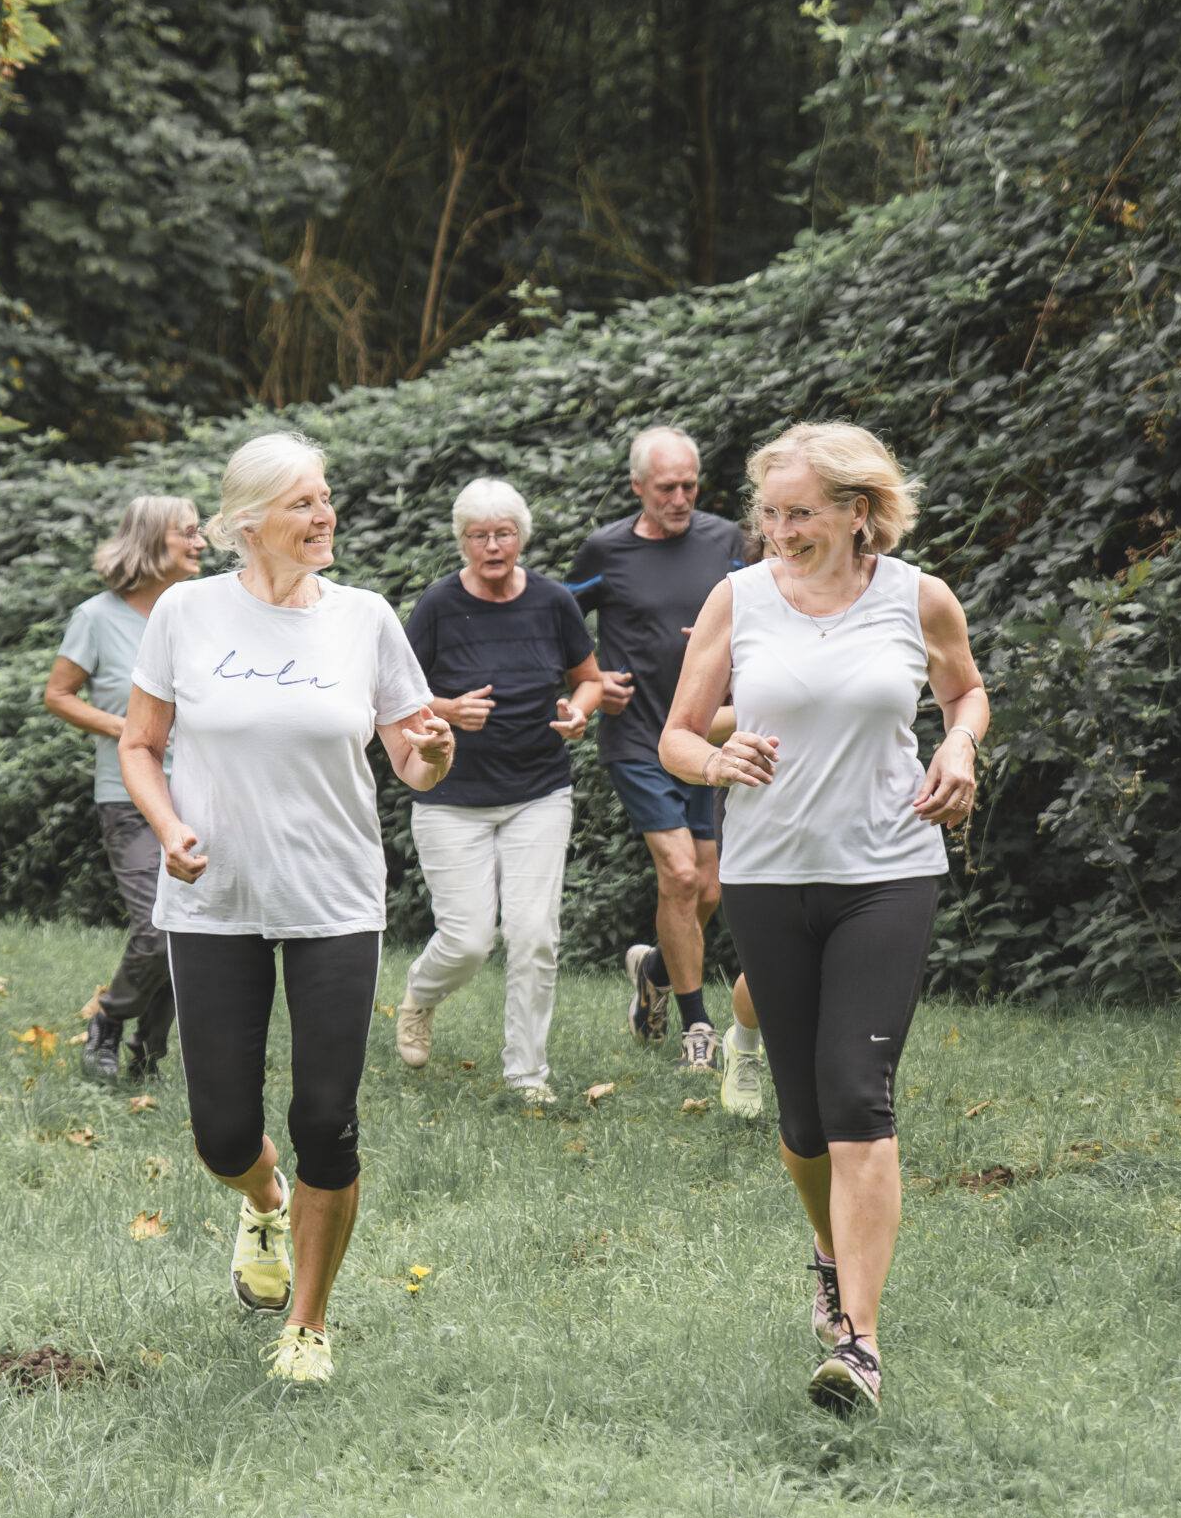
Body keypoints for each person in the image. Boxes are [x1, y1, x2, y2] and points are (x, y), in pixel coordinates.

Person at [660, 421, 987, 1413]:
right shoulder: (738, 597)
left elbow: (965, 692)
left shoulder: (916, 595)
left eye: (800, 512)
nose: (778, 529)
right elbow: (675, 732)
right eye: (768, 511)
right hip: (768, 872)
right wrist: (713, 760)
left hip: (886, 869)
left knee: (856, 1095)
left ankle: (859, 1342)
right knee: (802, 1122)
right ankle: (826, 1249)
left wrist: (960, 749)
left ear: (858, 510)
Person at [118, 432, 455, 1386]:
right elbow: (142, 744)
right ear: (251, 521)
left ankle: (306, 1321)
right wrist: (169, 825)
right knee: (222, 1131)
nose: (325, 516)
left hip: (335, 896)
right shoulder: (185, 611)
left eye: (326, 498)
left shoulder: (366, 619)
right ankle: (261, 1198)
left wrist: (433, 753)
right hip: (213, 894)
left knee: (326, 1117)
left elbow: (413, 756)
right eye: (304, 503)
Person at [394, 478, 606, 1105]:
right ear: (462, 542)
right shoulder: (437, 605)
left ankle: (526, 1075)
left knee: (535, 933)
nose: (493, 546)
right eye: (480, 536)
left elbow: (587, 679)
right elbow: (394, 693)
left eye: (504, 533)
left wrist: (580, 711)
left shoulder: (551, 601)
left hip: (538, 790)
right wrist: (448, 709)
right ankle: (420, 996)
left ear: (521, 537)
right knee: (466, 941)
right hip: (450, 796)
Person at [567, 426, 760, 1084]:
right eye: (666, 488)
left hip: (710, 736)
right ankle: (696, 1027)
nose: (680, 498)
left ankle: (650, 971)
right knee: (679, 874)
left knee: (707, 886)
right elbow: (554, 618)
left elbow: (768, 612)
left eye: (689, 486)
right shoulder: (607, 549)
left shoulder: (728, 544)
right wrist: (589, 679)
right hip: (641, 740)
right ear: (638, 488)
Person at [44, 496, 204, 1084]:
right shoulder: (96, 617)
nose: (201, 543)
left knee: (188, 930)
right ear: (149, 542)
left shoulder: (198, 612)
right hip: (129, 797)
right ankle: (108, 1021)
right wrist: (126, 730)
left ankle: (149, 1055)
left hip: (199, 792)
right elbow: (58, 695)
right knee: (158, 928)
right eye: (187, 533)